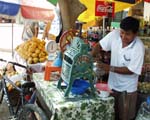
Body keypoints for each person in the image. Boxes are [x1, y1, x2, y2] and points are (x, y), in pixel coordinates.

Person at [92, 16, 145, 120]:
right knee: (110, 115)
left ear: (135, 33)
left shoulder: (139, 47)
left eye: (128, 34)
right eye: (122, 32)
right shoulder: (115, 34)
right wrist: (93, 55)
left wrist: (109, 68)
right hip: (111, 86)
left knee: (125, 117)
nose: (123, 36)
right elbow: (99, 45)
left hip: (127, 90)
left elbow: (131, 70)